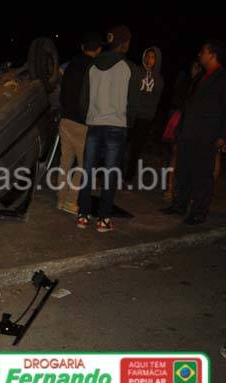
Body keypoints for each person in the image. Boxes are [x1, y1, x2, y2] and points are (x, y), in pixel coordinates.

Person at [76, 25, 141, 232]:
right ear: (124, 43)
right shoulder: (130, 68)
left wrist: (89, 117)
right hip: (116, 126)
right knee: (110, 174)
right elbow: (133, 104)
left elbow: (83, 100)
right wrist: (128, 124)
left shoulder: (92, 66)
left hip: (94, 124)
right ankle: (103, 220)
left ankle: (83, 215)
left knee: (88, 170)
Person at [161, 40, 226, 224]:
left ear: (212, 55)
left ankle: (198, 212)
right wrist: (180, 128)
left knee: (202, 175)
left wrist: (222, 136)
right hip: (188, 132)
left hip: (207, 134)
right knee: (184, 171)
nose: (199, 54)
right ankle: (179, 205)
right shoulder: (201, 75)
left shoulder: (222, 78)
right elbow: (190, 103)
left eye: (203, 52)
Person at [56, 32, 103, 214]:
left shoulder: (70, 64)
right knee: (83, 164)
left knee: (65, 162)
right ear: (98, 50)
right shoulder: (95, 69)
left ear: (83, 47)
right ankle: (71, 201)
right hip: (82, 122)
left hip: (65, 119)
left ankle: (60, 200)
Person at [163, 60, 201, 201]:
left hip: (194, 124)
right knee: (175, 154)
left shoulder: (204, 84)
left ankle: (186, 192)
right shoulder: (184, 80)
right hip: (180, 120)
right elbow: (176, 101)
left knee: (190, 159)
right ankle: (169, 188)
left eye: (198, 68)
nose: (195, 70)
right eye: (194, 67)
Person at [124, 47, 164, 182]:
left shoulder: (159, 80)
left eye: (152, 57)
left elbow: (156, 101)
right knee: (122, 145)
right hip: (130, 114)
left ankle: (128, 178)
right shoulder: (136, 72)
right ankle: (112, 174)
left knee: (136, 149)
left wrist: (150, 115)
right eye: (147, 56)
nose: (149, 60)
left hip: (144, 118)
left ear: (157, 60)